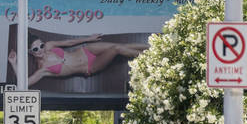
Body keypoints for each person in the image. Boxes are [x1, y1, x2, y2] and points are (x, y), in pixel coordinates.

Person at [10, 34, 148, 87]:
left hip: (86, 50)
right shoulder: (42, 70)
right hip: (89, 66)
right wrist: (13, 63)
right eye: (35, 49)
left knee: (121, 47)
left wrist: (88, 39)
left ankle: (152, 46)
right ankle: (150, 58)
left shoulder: (50, 45)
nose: (41, 49)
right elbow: (23, 84)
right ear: (30, 52)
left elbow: (69, 42)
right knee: (117, 49)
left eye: (41, 45)